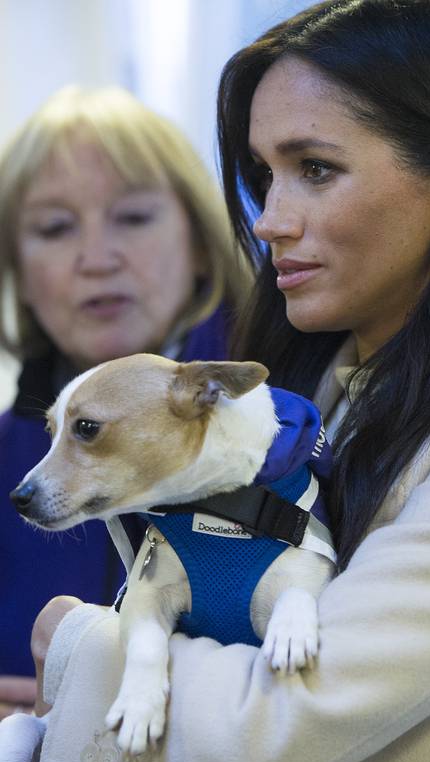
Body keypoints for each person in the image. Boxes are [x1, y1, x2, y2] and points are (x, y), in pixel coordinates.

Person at [4, 1, 430, 762]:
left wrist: (77, 646)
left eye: (316, 170)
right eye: (263, 176)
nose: (269, 220)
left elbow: (285, 720)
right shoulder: (314, 398)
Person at [0, 85, 252, 717]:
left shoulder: (294, 425)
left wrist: (69, 715)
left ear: (200, 242)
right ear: (20, 273)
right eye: (55, 229)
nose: (96, 258)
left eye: (133, 218)